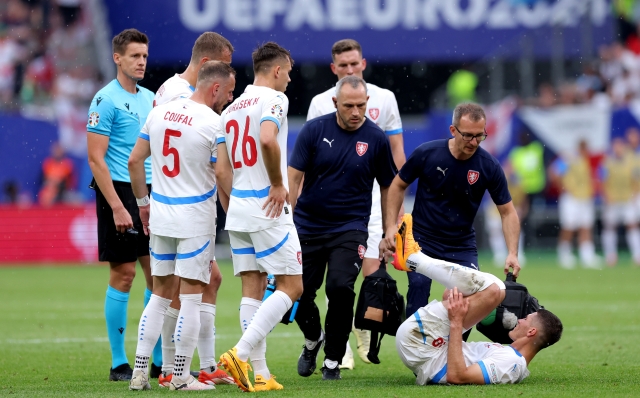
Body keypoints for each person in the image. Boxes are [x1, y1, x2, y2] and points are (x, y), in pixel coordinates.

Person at [126, 60, 236, 391]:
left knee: (159, 296)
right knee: (190, 298)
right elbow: (221, 173)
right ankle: (180, 377)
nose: (229, 100)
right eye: (229, 92)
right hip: (194, 220)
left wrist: (143, 206)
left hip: (160, 214)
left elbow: (134, 161)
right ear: (215, 88)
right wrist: (236, 211)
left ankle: (139, 371)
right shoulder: (215, 123)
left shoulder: (160, 112)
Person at [289, 75, 398, 381]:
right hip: (307, 225)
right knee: (298, 293)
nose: (355, 111)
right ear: (335, 102)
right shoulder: (313, 130)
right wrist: (287, 220)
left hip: (350, 228)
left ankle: (333, 361)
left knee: (339, 288)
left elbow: (389, 184)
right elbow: (294, 177)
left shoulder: (376, 138)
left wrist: (389, 228)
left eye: (361, 105)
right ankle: (313, 340)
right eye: (348, 105)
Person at [306, 38, 406, 369]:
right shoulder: (321, 102)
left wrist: (399, 206)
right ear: (334, 69)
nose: (350, 68)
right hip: (334, 207)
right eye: (343, 65)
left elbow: (396, 152)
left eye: (354, 63)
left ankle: (361, 329)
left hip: (376, 198)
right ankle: (342, 343)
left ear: (363, 63)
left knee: (371, 272)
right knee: (337, 279)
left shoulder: (385, 98)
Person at [380, 214, 562, 385]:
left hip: (424, 347)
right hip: (425, 344)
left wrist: (457, 322)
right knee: (466, 293)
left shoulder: (512, 363)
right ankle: (414, 259)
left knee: (495, 290)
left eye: (526, 319)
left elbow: (457, 376)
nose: (521, 318)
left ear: (531, 332)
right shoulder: (511, 356)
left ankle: (414, 259)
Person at [216, 42, 303, 393]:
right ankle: (240, 353)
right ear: (278, 70)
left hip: (239, 208)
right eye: (289, 74)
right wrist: (279, 185)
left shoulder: (231, 109)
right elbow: (268, 140)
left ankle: (262, 374)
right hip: (268, 208)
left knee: (252, 288)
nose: (290, 81)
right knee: (292, 286)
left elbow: (221, 171)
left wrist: (234, 206)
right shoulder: (274, 100)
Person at [382, 103, 521, 320]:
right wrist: (391, 226)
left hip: (461, 243)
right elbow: (397, 185)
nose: (474, 142)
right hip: (421, 240)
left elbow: (508, 212)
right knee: (418, 289)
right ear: (453, 130)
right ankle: (415, 350)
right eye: (467, 136)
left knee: (470, 296)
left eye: (479, 136)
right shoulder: (427, 153)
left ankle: (454, 349)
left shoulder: (489, 166)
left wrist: (512, 252)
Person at [86, 28, 156, 382]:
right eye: (134, 56)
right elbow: (96, 160)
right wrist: (116, 205)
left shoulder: (151, 98)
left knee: (158, 276)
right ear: (117, 58)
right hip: (118, 191)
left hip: (150, 192)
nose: (141, 62)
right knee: (125, 274)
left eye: (144, 56)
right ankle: (118, 362)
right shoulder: (105, 100)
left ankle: (155, 359)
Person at [549, 140, 599, 269]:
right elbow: (553, 172)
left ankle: (587, 255)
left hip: (585, 197)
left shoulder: (585, 160)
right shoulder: (570, 159)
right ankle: (564, 254)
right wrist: (562, 187)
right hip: (571, 198)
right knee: (569, 226)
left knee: (585, 225)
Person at [600, 137, 640, 266]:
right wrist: (606, 195)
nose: (618, 149)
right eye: (615, 146)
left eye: (620, 146)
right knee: (610, 227)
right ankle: (610, 255)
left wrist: (634, 194)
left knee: (632, 225)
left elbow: (636, 179)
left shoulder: (631, 161)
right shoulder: (607, 162)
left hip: (627, 199)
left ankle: (637, 255)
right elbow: (602, 180)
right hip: (612, 200)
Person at [38, 142, 75, 206]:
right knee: (45, 195)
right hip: (49, 189)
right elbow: (43, 179)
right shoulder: (48, 163)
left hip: (63, 191)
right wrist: (51, 183)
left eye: (59, 150)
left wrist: (56, 183)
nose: (57, 152)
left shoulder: (67, 164)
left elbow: (67, 182)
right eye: (56, 150)